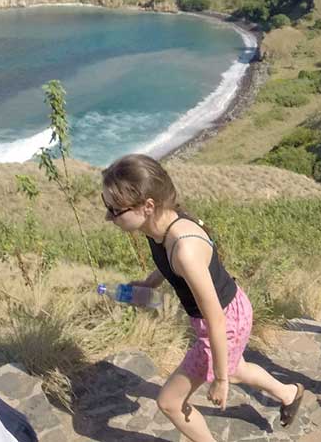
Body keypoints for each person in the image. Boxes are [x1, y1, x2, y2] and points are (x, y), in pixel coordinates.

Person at [101, 155, 304, 441]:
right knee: (237, 367)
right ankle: (289, 393)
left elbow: (216, 320)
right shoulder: (158, 224)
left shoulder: (185, 250)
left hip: (223, 323)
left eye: (115, 209)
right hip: (231, 310)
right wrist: (149, 284)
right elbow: (165, 259)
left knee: (169, 403)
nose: (108, 216)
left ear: (147, 206)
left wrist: (220, 381)